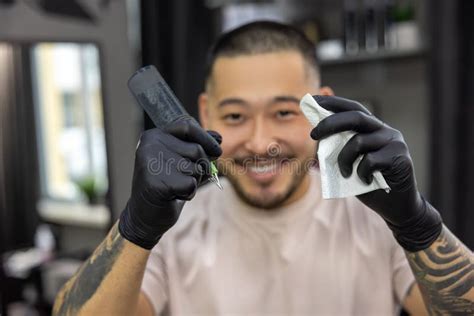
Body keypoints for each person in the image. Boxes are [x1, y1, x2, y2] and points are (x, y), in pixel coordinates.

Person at [53, 21, 473, 315]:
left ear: (322, 106)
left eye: (284, 112)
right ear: (205, 112)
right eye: (235, 117)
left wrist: (417, 223)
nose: (259, 142)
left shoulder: (376, 218)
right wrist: (135, 228)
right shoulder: (172, 229)